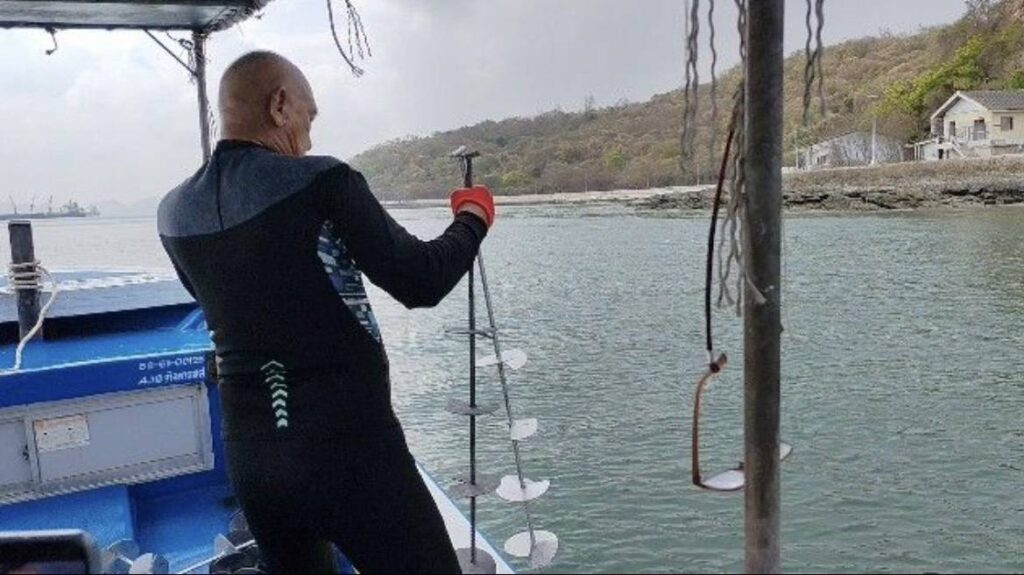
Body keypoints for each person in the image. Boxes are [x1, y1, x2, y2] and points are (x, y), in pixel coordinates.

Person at [157, 50, 495, 574]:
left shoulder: (173, 213)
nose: (309, 139)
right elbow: (421, 280)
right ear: (280, 105)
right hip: (351, 453)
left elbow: (222, 307)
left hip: (253, 461)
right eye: (308, 118)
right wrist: (473, 218)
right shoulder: (322, 181)